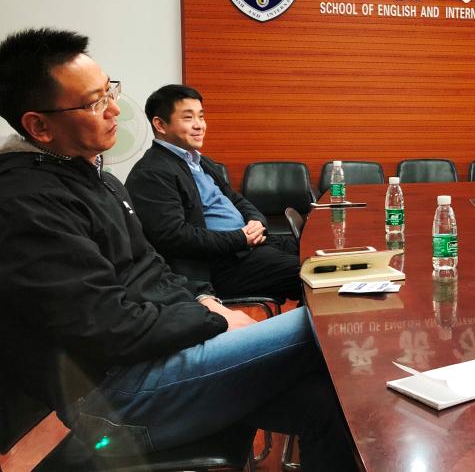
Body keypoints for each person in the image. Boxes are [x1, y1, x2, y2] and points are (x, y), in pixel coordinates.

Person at [0, 28, 354, 469]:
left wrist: (204, 302)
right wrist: (213, 320)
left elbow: (152, 267)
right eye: (93, 103)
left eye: (110, 90)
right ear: (38, 125)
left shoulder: (96, 178)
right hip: (115, 398)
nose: (114, 109)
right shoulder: (25, 201)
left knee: (328, 403)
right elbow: (109, 327)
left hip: (160, 359)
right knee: (336, 320)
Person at [126, 84, 300, 301]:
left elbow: (234, 198)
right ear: (160, 124)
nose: (199, 125)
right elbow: (175, 236)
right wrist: (240, 238)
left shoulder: (200, 161)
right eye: (188, 118)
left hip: (250, 246)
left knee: (323, 254)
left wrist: (256, 221)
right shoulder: (151, 173)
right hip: (221, 265)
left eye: (201, 116)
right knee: (315, 274)